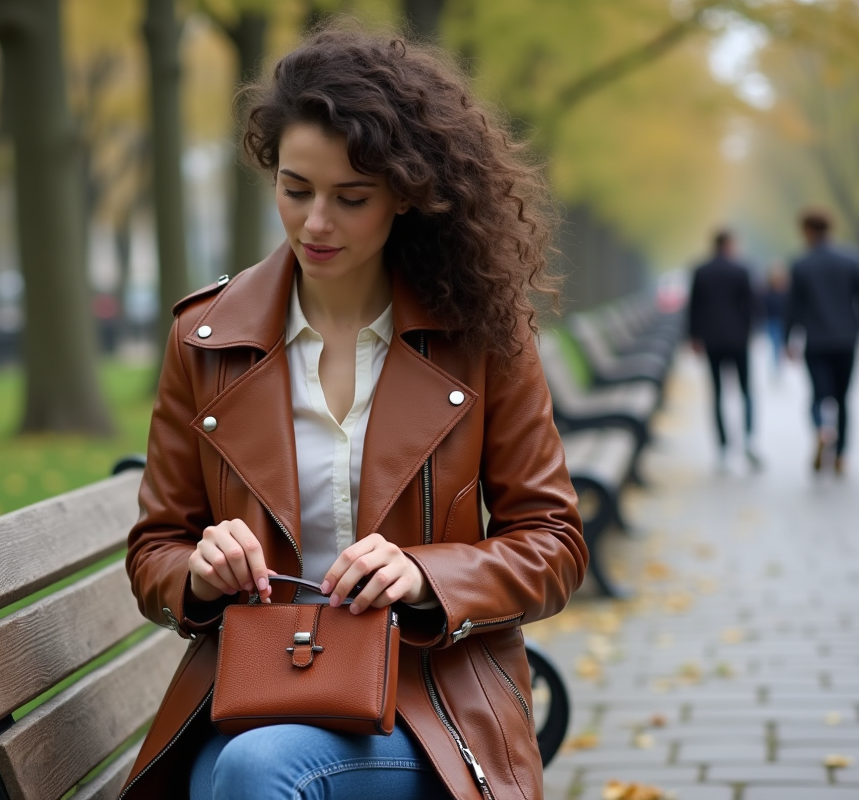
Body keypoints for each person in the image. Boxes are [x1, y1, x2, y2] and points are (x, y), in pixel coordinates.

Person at [121, 22, 587, 800]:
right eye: (295, 189)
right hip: (251, 696)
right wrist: (199, 573)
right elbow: (155, 551)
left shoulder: (481, 339)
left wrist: (425, 573)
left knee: (255, 775)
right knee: (251, 768)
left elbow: (554, 543)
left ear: (406, 195)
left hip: (431, 707)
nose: (316, 224)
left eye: (352, 197)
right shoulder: (204, 339)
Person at [784, 209, 859, 475]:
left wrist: (787, 340)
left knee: (818, 396)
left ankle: (822, 430)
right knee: (842, 398)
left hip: (815, 341)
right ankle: (840, 456)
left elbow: (792, 307)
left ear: (807, 231)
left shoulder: (801, 264)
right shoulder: (851, 260)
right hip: (846, 339)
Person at [687, 229, 761, 470]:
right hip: (738, 339)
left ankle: (722, 447)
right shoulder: (741, 270)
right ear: (729, 245)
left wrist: (694, 337)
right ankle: (749, 440)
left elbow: (694, 307)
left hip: (712, 340)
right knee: (746, 391)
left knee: (717, 393)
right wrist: (750, 333)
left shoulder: (701, 271)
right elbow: (751, 305)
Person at [763, 266, 789, 374]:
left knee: (781, 344)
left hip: (783, 321)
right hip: (772, 321)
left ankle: (780, 365)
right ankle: (777, 366)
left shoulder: (786, 292)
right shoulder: (768, 292)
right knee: (775, 344)